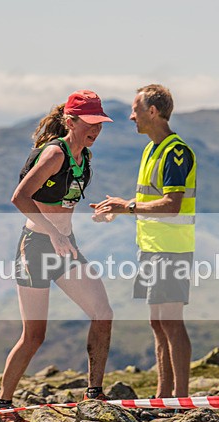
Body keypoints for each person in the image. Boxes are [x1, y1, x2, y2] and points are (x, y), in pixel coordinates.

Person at [0, 90, 114, 422]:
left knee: (103, 313)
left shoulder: (84, 156)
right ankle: (3, 404)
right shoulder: (55, 154)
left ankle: (94, 394)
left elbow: (66, 202)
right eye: (89, 122)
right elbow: (20, 197)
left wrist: (98, 215)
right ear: (70, 121)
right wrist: (54, 232)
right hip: (35, 247)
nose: (95, 130)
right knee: (34, 335)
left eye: (100, 123)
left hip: (65, 246)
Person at [91, 84, 196, 399]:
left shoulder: (176, 151)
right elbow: (146, 202)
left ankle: (180, 396)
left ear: (153, 112)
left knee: (171, 323)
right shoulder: (151, 149)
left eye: (135, 110)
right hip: (151, 247)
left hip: (171, 248)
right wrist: (118, 209)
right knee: (158, 323)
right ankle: (164, 395)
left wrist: (128, 207)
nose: (130, 116)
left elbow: (171, 204)